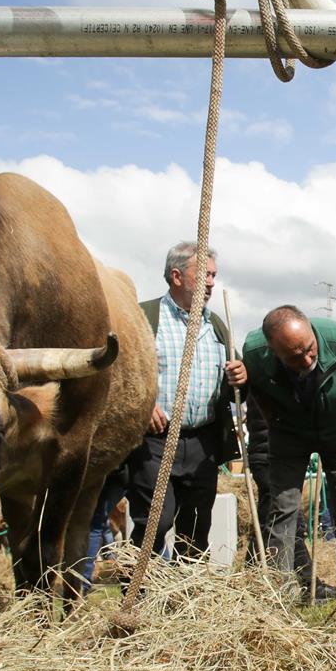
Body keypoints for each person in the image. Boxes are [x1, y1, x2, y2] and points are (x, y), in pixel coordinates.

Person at [242, 305, 336, 621]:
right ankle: (278, 600)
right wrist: (274, 422)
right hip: (289, 433)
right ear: (273, 351)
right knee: (282, 511)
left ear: (311, 332)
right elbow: (255, 390)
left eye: (309, 349)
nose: (306, 359)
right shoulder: (253, 351)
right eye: (294, 357)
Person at [120, 241, 245, 569]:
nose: (211, 283)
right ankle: (139, 592)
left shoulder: (216, 325)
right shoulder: (144, 318)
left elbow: (238, 385)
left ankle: (188, 599)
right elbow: (120, 374)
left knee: (196, 528)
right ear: (176, 276)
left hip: (202, 443)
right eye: (204, 274)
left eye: (214, 276)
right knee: (155, 522)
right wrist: (143, 405)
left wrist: (241, 378)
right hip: (155, 440)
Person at [243, 399, 334, 603]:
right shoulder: (266, 374)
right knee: (286, 523)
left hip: (276, 455)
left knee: (272, 522)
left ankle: (247, 579)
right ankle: (307, 585)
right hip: (270, 456)